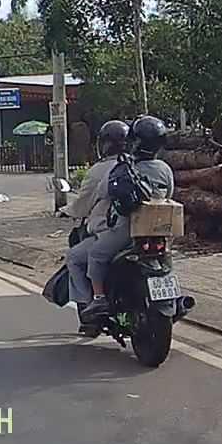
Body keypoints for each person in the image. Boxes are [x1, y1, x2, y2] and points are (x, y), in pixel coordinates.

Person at [71, 116, 175, 324]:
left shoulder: (124, 167)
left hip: (126, 230)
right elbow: (170, 192)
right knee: (166, 260)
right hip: (159, 229)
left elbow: (103, 192)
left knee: (96, 255)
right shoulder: (164, 168)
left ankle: (99, 298)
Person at [62, 120, 129, 332]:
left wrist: (67, 210)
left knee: (74, 257)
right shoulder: (145, 165)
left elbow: (83, 204)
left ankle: (91, 306)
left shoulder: (100, 172)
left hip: (111, 231)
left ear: (104, 144)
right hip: (144, 232)